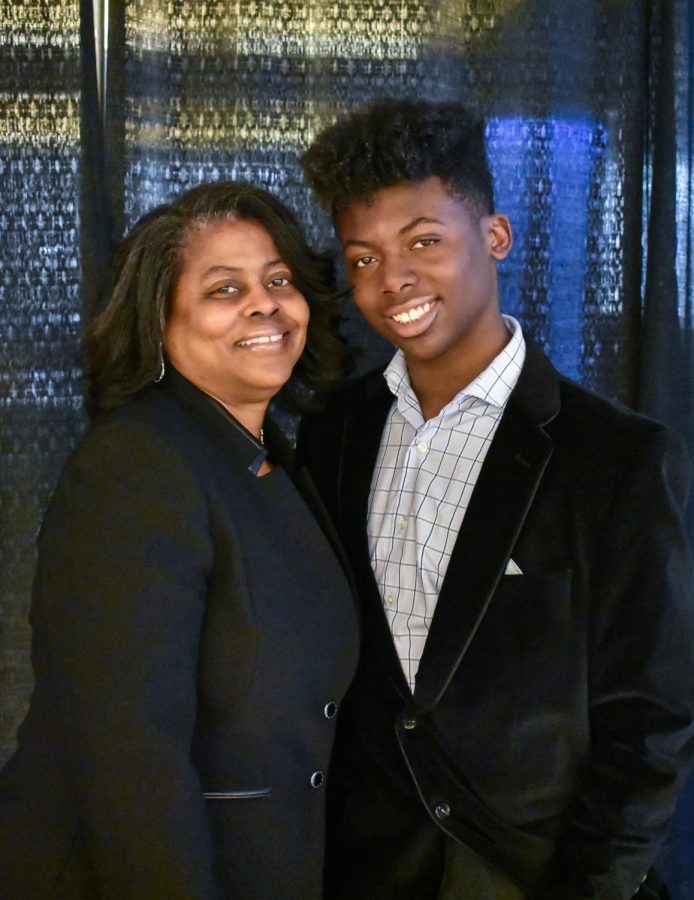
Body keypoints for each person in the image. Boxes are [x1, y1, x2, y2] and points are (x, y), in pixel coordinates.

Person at [297, 98, 694, 899]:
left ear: (495, 237)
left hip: (536, 877)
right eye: (363, 258)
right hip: (369, 873)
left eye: (424, 242)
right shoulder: (334, 434)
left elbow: (650, 725)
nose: (393, 278)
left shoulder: (617, 458)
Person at [0, 181, 359, 899]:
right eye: (225, 289)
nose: (265, 304)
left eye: (279, 279)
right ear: (159, 322)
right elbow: (132, 758)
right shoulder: (137, 467)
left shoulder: (267, 459)